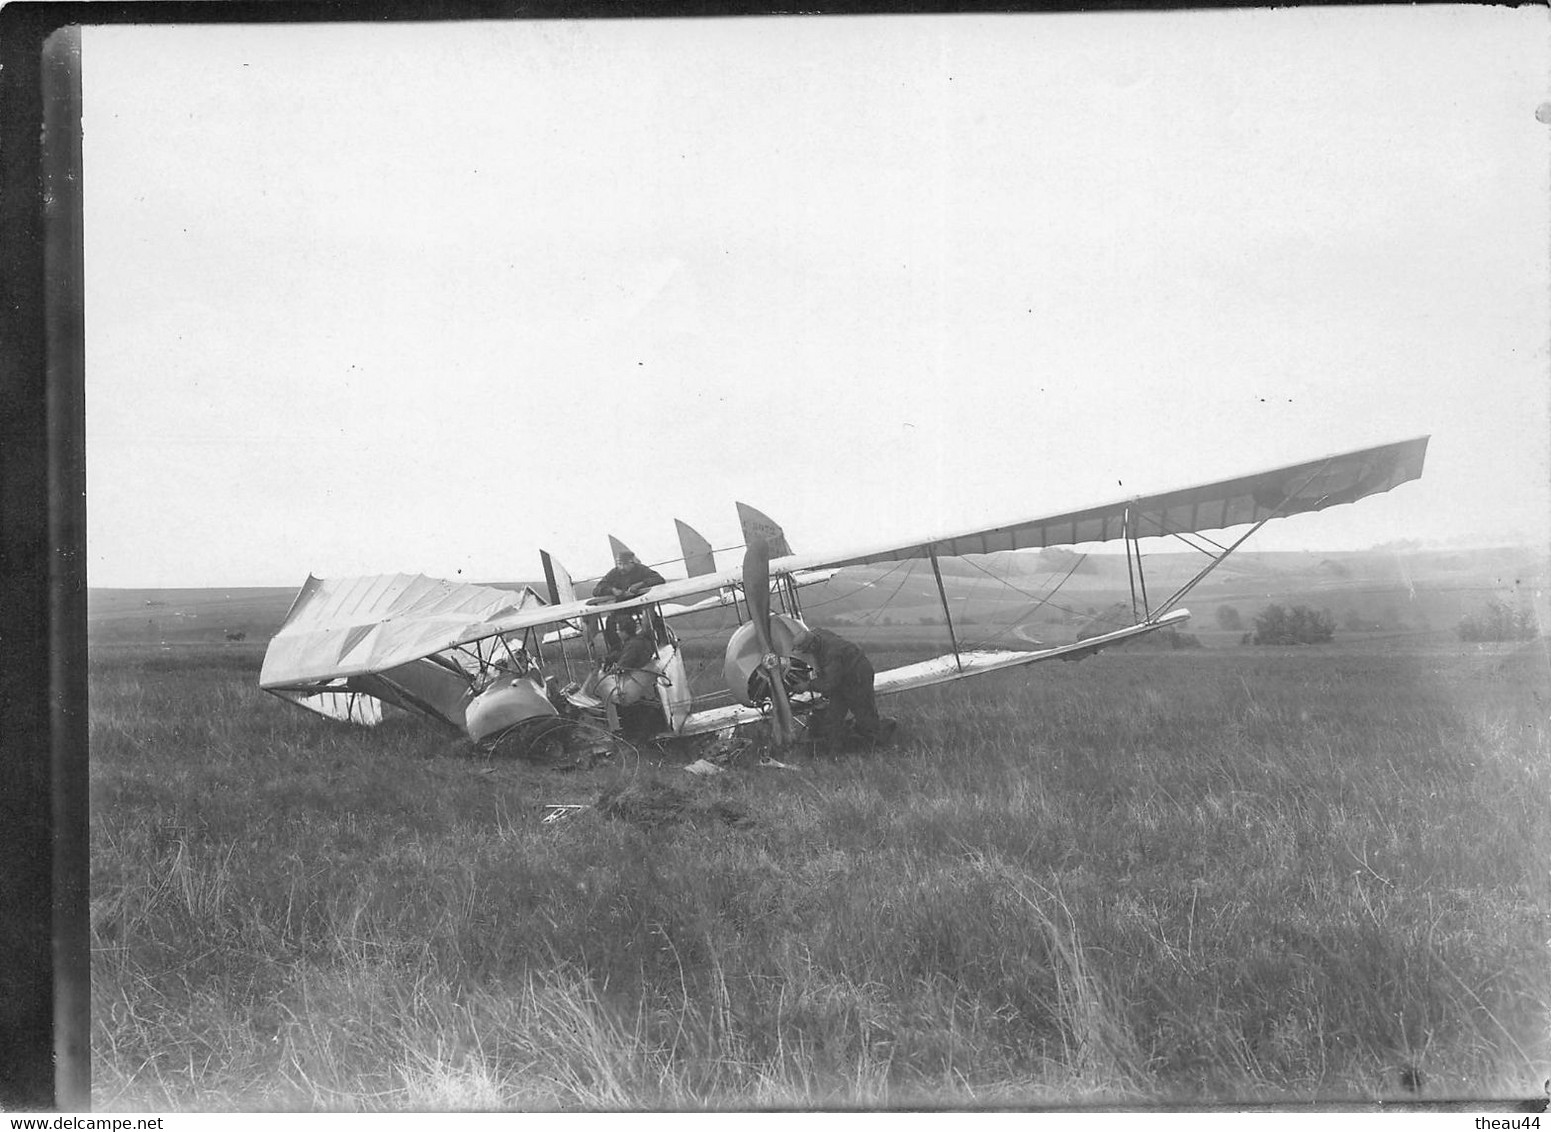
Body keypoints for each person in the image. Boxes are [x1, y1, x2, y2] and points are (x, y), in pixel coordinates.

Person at [788, 627, 894, 749]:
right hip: (841, 676)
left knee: (864, 714)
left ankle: (879, 744)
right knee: (833, 716)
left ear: (812, 646)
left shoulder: (831, 654)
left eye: (806, 651)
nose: (806, 653)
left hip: (857, 675)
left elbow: (829, 683)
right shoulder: (816, 634)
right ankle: (834, 750)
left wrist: (807, 685)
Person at [592, 550, 667, 649]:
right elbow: (597, 590)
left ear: (632, 562)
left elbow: (659, 579)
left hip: (641, 602)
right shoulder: (614, 573)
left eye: (625, 564)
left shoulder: (642, 569)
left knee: (651, 617)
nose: (622, 567)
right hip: (624, 605)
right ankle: (616, 649)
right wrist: (612, 590)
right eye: (619, 564)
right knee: (610, 622)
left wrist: (641, 584)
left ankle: (662, 642)